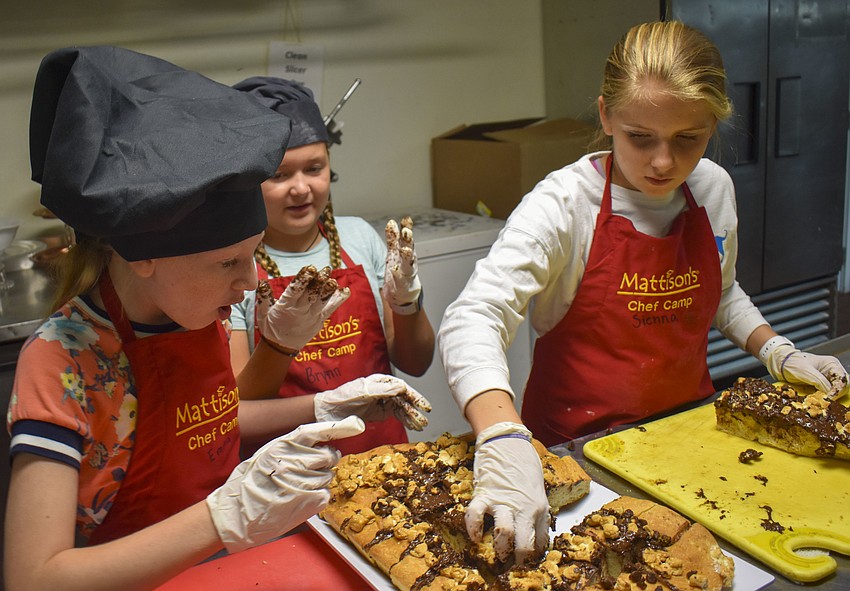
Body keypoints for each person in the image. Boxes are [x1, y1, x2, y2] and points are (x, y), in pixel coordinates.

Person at [4, 46, 428, 591]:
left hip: (237, 570)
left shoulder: (199, 314)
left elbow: (215, 418)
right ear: (143, 257)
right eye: (228, 262)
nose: (250, 281)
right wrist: (219, 518)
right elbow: (32, 578)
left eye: (252, 254)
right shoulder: (65, 360)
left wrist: (322, 404)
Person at [437, 20, 850, 564]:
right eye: (640, 137)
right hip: (576, 454)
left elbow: (720, 293)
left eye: (688, 139)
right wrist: (500, 436)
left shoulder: (713, 188)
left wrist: (777, 349)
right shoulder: (564, 204)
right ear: (606, 114)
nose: (664, 162)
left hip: (689, 435)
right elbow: (475, 315)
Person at [229, 76, 436, 455]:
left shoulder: (359, 238)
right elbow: (237, 409)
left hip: (381, 457)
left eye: (314, 168)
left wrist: (408, 304)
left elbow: (416, 363)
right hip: (288, 472)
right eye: (278, 175)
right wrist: (277, 346)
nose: (301, 188)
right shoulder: (236, 265)